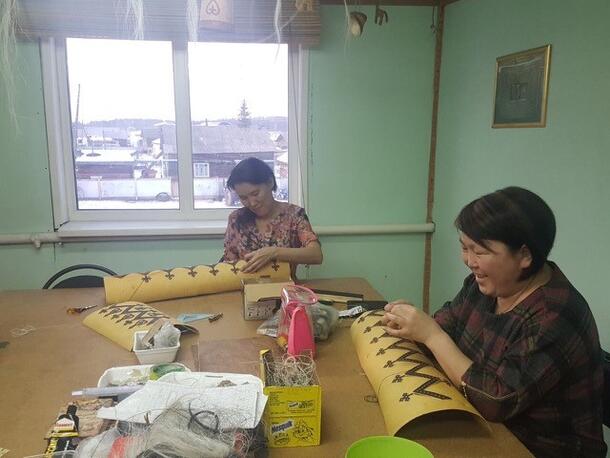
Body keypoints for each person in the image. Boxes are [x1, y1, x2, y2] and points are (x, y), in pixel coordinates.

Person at [381, 187, 607, 457]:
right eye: (464, 248)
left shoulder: (555, 315)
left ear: (524, 256)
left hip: (536, 447)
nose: (469, 262)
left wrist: (431, 335)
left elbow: (497, 400)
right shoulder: (487, 285)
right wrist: (412, 325)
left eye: (479, 252)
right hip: (483, 423)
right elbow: (447, 324)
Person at [221, 157, 323, 275]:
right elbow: (228, 265)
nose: (252, 203)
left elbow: (316, 255)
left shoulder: (294, 215)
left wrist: (274, 253)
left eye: (255, 193)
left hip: (284, 289)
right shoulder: (236, 219)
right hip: (245, 289)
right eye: (244, 198)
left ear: (270, 182)